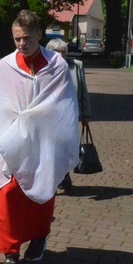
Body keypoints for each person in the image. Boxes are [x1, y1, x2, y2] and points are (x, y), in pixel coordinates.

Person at [0, 10, 79, 264]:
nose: (21, 44)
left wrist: (34, 119)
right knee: (4, 194)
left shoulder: (57, 65)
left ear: (39, 35)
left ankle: (39, 237)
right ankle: (10, 256)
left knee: (41, 190)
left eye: (26, 38)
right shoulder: (6, 66)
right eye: (16, 39)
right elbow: (0, 105)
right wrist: (18, 124)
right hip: (10, 140)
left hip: (43, 141)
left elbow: (61, 105)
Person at [46, 38, 92, 192]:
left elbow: (83, 91)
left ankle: (64, 174)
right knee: (51, 148)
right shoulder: (44, 67)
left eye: (63, 51)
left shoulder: (76, 66)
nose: (60, 54)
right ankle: (57, 178)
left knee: (65, 147)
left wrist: (86, 114)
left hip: (70, 114)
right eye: (56, 51)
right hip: (49, 115)